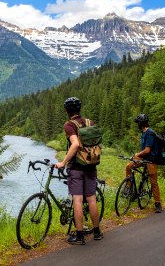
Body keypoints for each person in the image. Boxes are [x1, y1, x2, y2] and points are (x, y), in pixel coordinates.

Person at [55, 97, 103, 245]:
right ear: (79, 109)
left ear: (67, 111)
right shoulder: (89, 122)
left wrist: (63, 162)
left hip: (76, 168)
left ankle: (80, 235)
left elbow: (75, 144)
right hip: (91, 165)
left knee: (77, 200)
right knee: (91, 199)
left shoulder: (69, 125)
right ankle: (96, 232)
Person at [127, 113, 162, 213]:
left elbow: (147, 150)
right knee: (129, 166)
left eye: (138, 123)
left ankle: (158, 203)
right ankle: (128, 188)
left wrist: (137, 153)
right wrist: (135, 157)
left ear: (141, 123)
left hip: (151, 160)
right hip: (143, 159)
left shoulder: (150, 133)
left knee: (153, 182)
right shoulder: (144, 133)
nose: (137, 124)